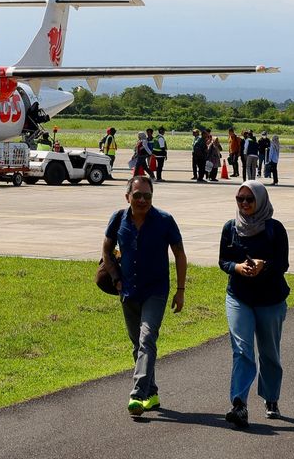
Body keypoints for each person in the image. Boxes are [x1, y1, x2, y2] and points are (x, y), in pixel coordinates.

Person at [101, 176, 187, 414]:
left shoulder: (164, 220)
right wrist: (116, 279)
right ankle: (152, 392)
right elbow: (106, 251)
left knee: (147, 339)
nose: (142, 200)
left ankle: (137, 394)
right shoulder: (118, 219)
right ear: (127, 196)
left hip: (156, 291)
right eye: (137, 195)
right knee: (137, 344)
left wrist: (180, 291)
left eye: (147, 196)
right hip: (128, 291)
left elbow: (180, 254)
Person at [219, 181, 290, 428]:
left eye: (250, 199)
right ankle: (239, 404)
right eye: (240, 199)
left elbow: (283, 264)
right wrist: (237, 267)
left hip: (270, 299)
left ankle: (271, 398)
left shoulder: (274, 229)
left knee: (269, 352)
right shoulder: (230, 227)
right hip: (239, 297)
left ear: (260, 200)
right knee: (242, 349)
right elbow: (223, 261)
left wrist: (264, 265)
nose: (245, 204)